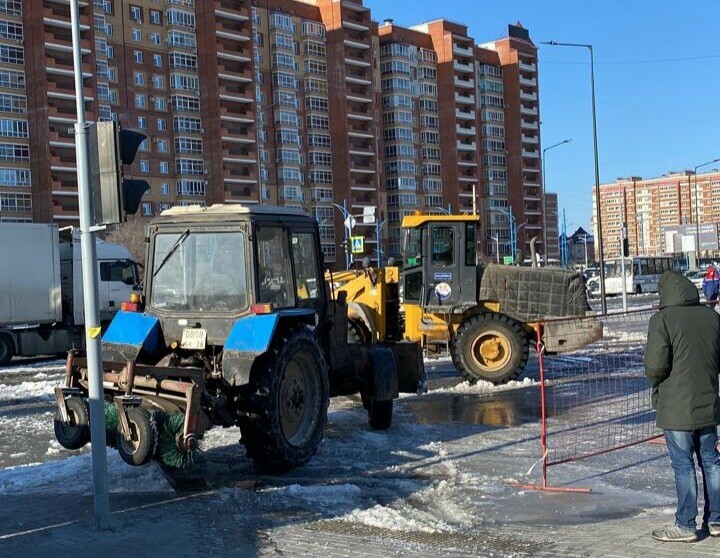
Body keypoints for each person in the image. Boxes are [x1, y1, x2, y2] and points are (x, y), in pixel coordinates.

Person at [645, 271, 720, 542]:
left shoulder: (662, 320)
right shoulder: (711, 316)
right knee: (711, 461)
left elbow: (655, 366)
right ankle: (716, 520)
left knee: (683, 465)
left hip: (676, 405)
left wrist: (656, 381)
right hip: (708, 401)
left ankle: (685, 525)